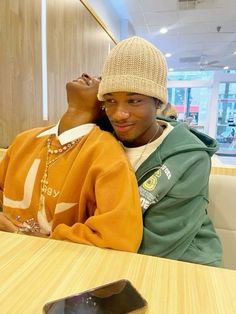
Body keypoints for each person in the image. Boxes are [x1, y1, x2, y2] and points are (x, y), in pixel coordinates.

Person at [97, 36, 222, 266]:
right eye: (110, 100)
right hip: (111, 262)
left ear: (158, 102)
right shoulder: (100, 144)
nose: (118, 114)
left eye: (134, 101)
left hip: (186, 266)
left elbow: (159, 244)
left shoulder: (190, 158)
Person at [0, 74, 143, 253]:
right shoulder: (24, 140)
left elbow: (118, 237)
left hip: (58, 263)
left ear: (106, 104)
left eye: (99, 79)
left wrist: (36, 237)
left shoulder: (107, 155)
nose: (86, 75)